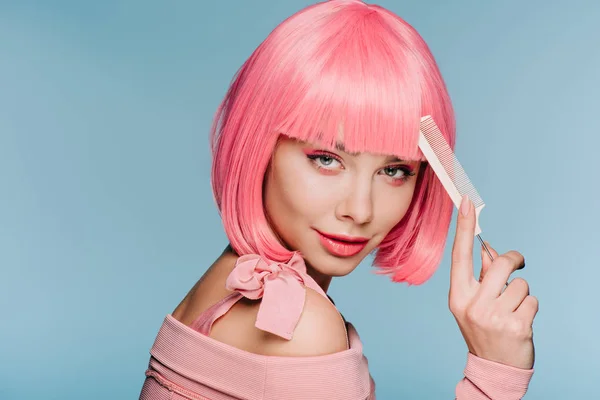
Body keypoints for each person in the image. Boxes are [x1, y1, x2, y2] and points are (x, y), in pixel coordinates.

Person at [139, 1, 538, 399]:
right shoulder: (299, 325)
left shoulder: (225, 280)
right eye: (326, 159)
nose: (360, 210)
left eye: (394, 170)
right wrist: (495, 373)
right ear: (260, 146)